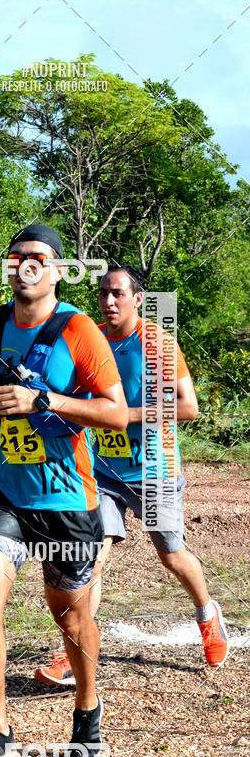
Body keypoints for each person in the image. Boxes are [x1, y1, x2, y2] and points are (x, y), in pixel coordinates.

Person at [0, 224, 128, 757]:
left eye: (37, 257)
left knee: (71, 621)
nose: (25, 264)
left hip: (68, 496)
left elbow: (115, 412)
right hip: (5, 489)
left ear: (56, 270)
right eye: (17, 256)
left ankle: (88, 708)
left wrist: (41, 398)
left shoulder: (78, 329)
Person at [35, 264, 229, 687]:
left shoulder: (156, 343)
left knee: (171, 555)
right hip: (102, 471)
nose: (108, 301)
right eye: (103, 293)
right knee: (95, 555)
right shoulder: (92, 340)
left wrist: (126, 416)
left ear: (138, 299)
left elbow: (188, 407)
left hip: (153, 469)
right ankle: (76, 649)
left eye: (118, 294)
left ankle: (207, 613)